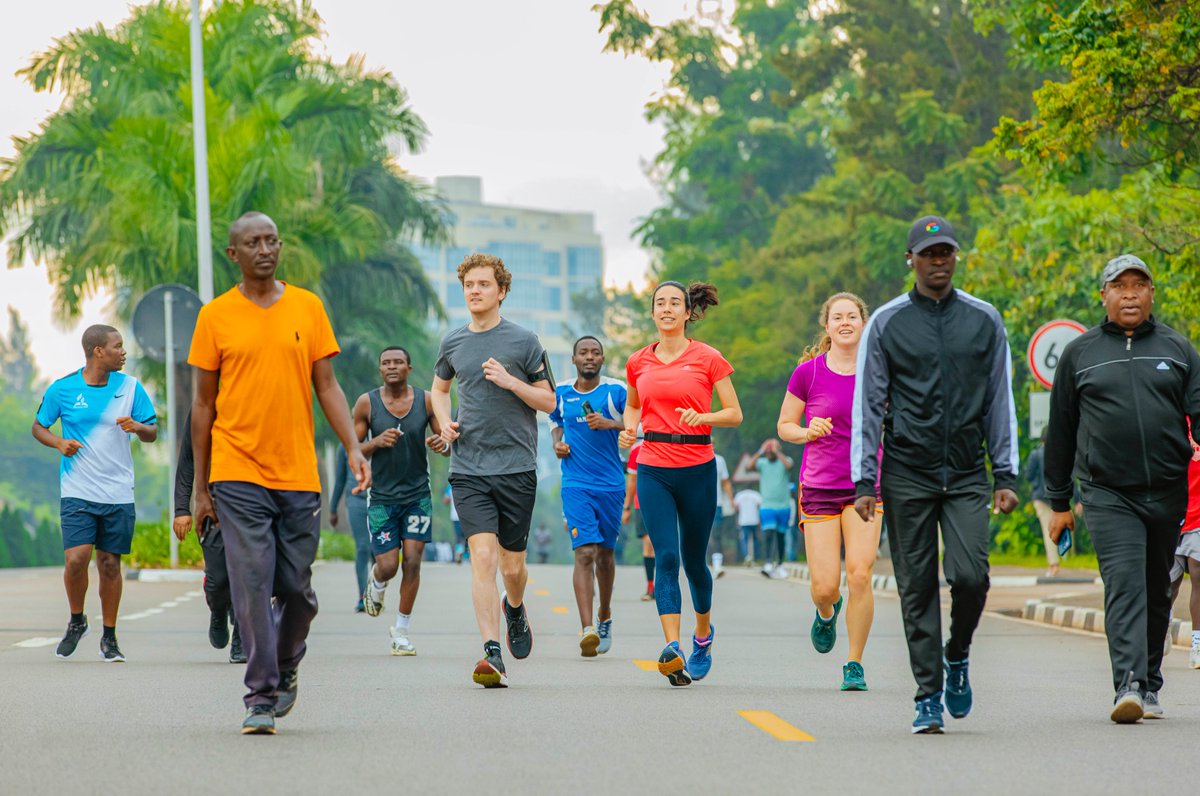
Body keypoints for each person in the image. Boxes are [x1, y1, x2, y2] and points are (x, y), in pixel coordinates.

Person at [189, 211, 370, 735]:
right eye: (253, 242)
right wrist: (200, 489)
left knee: (295, 587)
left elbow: (329, 386)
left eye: (272, 240)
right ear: (234, 254)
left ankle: (287, 661)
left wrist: (353, 449)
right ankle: (260, 696)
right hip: (237, 468)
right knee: (251, 582)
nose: (265, 249)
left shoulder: (307, 307)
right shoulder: (216, 316)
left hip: (296, 473)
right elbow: (203, 406)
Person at [851, 215, 1019, 733]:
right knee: (916, 587)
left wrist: (1006, 473)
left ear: (955, 256)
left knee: (971, 576)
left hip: (968, 471)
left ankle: (958, 654)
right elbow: (868, 402)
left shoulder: (984, 319)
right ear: (912, 260)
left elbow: (1000, 399)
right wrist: (864, 481)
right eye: (928, 253)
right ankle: (927, 695)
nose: (938, 261)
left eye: (946, 251)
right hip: (907, 472)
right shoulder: (886, 322)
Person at [1044, 254, 1200, 723]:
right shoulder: (1081, 353)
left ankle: (1149, 680)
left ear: (1152, 293)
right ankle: (1128, 685)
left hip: (1167, 490)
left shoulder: (1178, 349)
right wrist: (1059, 502)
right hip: (1106, 492)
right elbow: (1062, 430)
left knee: (1158, 588)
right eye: (1119, 285)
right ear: (1103, 295)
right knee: (1125, 583)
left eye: (1139, 285)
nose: (1129, 293)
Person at [431, 253, 555, 688]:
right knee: (481, 557)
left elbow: (549, 402)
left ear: (501, 291)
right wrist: (444, 422)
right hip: (469, 467)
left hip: (517, 466)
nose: (475, 291)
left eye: (484, 284)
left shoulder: (524, 342)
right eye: (469, 285)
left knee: (512, 568)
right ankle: (491, 651)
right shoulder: (453, 343)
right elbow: (439, 389)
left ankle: (515, 609)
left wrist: (510, 382)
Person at [619, 280, 743, 686]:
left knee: (694, 561)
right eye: (660, 303)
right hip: (654, 465)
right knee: (666, 557)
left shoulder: (708, 358)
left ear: (688, 312)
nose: (667, 309)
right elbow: (635, 405)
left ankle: (702, 636)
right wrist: (628, 430)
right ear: (652, 313)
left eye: (675, 303)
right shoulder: (638, 361)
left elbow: (734, 413)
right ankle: (672, 648)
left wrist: (703, 419)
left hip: (698, 467)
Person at [33, 324, 157, 663]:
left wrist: (138, 427)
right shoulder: (63, 389)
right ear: (97, 351)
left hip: (118, 491)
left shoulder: (130, 387)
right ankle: (77, 621)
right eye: (117, 346)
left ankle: (110, 637)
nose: (123, 352)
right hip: (78, 489)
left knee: (109, 565)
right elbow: (39, 426)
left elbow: (152, 431)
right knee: (76, 560)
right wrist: (59, 442)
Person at [779, 292, 881, 691]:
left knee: (860, 574)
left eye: (852, 316)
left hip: (867, 486)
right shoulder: (808, 373)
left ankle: (854, 664)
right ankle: (827, 612)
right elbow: (785, 424)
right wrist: (807, 431)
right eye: (837, 317)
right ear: (827, 325)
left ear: (862, 322)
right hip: (819, 486)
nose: (845, 322)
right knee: (825, 586)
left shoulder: (879, 369)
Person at [355, 345, 450, 656]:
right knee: (388, 565)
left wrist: (441, 443)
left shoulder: (425, 400)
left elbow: (445, 443)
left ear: (409, 367)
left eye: (398, 362)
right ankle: (377, 582)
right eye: (386, 363)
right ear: (380, 369)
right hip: (381, 498)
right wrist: (376, 443)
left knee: (412, 561)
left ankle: (402, 631)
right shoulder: (366, 404)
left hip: (417, 496)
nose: (391, 366)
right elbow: (352, 452)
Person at [550, 335, 627, 657]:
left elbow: (636, 426)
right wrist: (559, 444)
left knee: (606, 556)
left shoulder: (616, 390)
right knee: (584, 553)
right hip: (575, 483)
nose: (590, 357)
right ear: (574, 359)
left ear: (603, 359)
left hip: (611, 484)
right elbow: (556, 423)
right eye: (584, 353)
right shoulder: (562, 393)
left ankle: (604, 616)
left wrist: (611, 423)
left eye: (595, 353)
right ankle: (587, 629)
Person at [173, 408, 245, 664]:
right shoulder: (204, 406)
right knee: (218, 578)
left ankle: (241, 637)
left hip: (251, 501)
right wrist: (182, 509)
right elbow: (188, 461)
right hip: (212, 502)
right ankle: (217, 608)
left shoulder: (257, 398)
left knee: (245, 571)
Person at [1168, 434, 1200, 670]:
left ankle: (1197, 646)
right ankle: (1162, 625)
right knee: (1169, 584)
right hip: (1172, 514)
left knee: (1198, 575)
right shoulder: (1175, 420)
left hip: (1199, 516)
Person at [330, 445, 370, 612]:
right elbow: (340, 479)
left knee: (378, 551)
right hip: (356, 500)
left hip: (380, 498)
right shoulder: (344, 445)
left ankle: (376, 592)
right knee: (363, 547)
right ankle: (363, 596)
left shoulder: (382, 434)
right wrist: (333, 508)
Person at [749, 440, 794, 578]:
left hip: (783, 506)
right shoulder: (762, 463)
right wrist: (761, 450)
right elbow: (749, 465)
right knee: (768, 534)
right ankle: (768, 563)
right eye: (767, 451)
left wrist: (776, 450)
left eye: (771, 451)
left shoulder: (785, 461)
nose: (769, 453)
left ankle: (780, 564)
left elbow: (789, 466)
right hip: (767, 506)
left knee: (781, 536)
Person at [622, 439, 656, 601]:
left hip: (645, 501)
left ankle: (655, 586)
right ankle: (652, 586)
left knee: (650, 544)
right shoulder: (638, 448)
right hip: (644, 501)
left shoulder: (636, 448)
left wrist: (626, 507)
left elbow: (632, 481)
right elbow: (632, 480)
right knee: (650, 543)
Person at [709, 452, 735, 578]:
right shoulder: (692, 456)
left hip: (716, 503)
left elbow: (725, 481)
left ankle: (717, 565)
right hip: (696, 503)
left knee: (717, 534)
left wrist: (731, 499)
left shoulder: (719, 460)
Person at [732, 486, 762, 565]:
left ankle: (747, 557)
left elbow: (735, 507)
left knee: (744, 540)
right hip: (754, 520)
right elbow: (760, 506)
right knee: (755, 539)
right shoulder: (756, 494)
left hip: (743, 521)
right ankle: (756, 558)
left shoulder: (739, 495)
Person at [443, 484, 467, 563]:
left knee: (459, 538)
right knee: (467, 537)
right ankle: (465, 555)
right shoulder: (468, 484)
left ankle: (460, 553)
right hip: (466, 517)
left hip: (456, 517)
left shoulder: (450, 486)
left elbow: (445, 501)